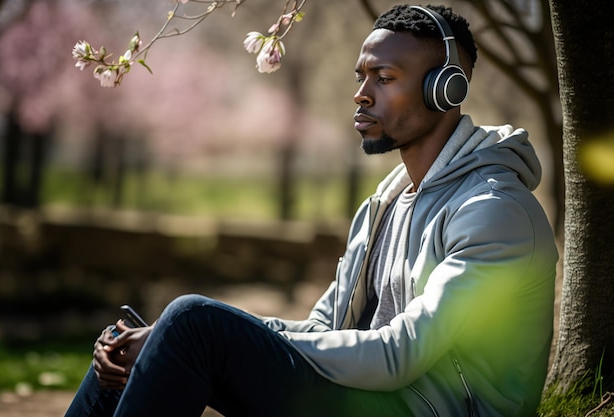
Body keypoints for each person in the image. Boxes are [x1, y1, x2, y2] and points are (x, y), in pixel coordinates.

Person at [65, 4, 558, 417]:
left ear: (444, 89)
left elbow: (398, 355)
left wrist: (228, 338)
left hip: (421, 408)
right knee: (132, 342)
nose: (361, 94)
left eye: (384, 78)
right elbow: (324, 330)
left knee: (192, 320)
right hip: (372, 400)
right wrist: (175, 340)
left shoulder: (493, 210)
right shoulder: (383, 205)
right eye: (362, 76)